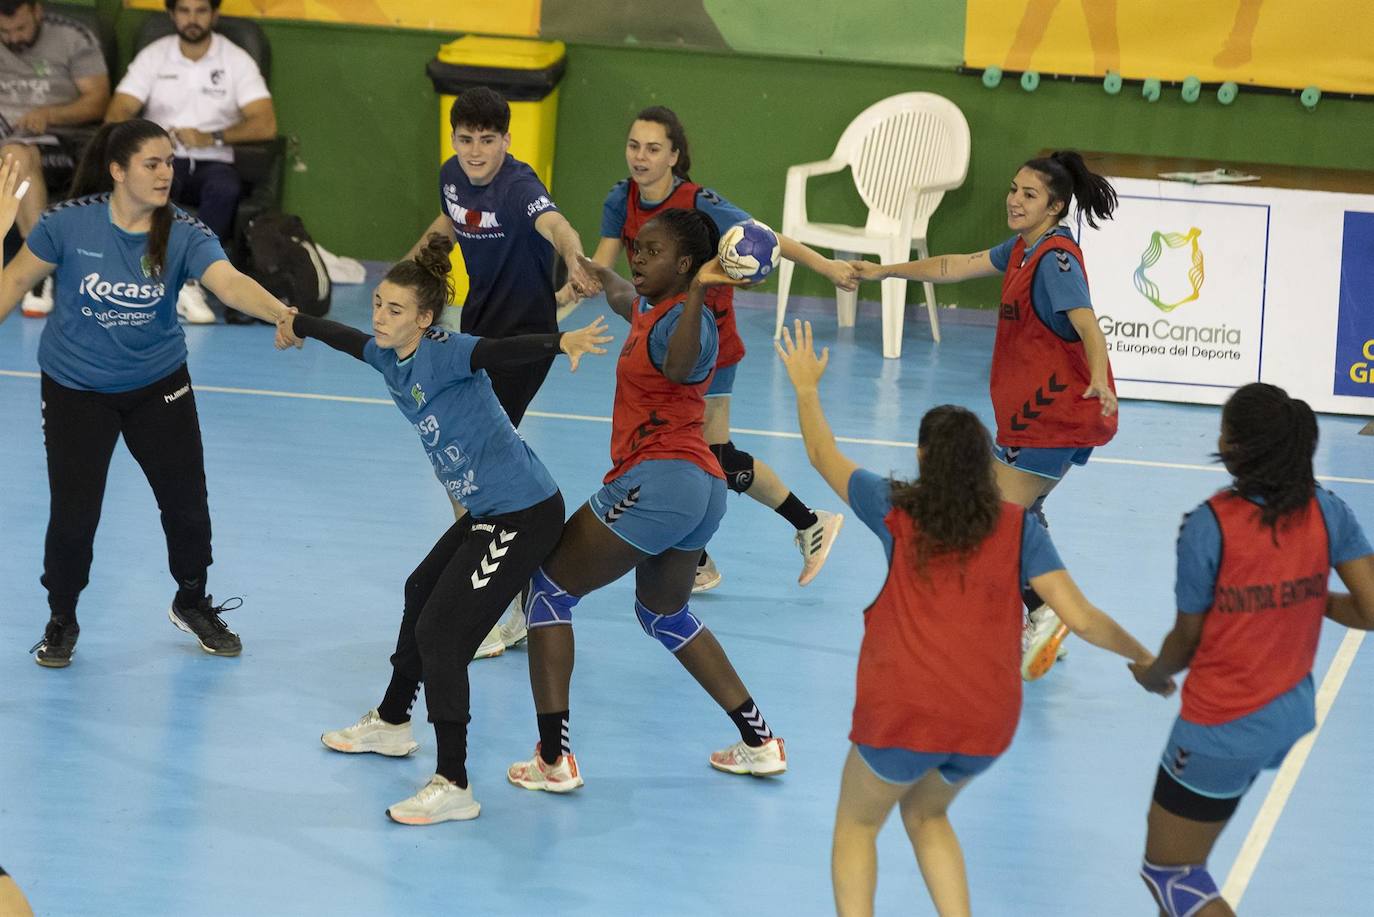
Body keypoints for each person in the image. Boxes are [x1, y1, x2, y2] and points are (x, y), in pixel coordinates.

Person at [774, 318, 1169, 917]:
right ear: (986, 463)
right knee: (927, 813)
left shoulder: (895, 507)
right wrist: (1144, 657)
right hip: (988, 721)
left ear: (924, 458)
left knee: (856, 826)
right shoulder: (1018, 527)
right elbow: (1082, 619)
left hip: (904, 710)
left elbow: (823, 454)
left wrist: (806, 388)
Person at [278, 234, 611, 825]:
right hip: (489, 511)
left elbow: (502, 351)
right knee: (418, 591)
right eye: (379, 303)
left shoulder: (447, 350)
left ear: (425, 319)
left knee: (442, 635)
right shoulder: (387, 353)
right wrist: (297, 320)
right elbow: (348, 338)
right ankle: (393, 721)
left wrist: (562, 342)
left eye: (395, 310)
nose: (379, 316)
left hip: (523, 513)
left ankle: (454, 781)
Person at [507, 209, 788, 792]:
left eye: (651, 251)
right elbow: (617, 292)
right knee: (665, 614)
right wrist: (586, 265)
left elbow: (684, 366)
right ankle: (760, 741)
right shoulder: (650, 307)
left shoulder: (690, 322)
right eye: (637, 246)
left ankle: (553, 759)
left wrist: (703, 293)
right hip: (700, 490)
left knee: (548, 590)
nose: (637, 256)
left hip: (659, 481)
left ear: (686, 265)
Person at [0, 120, 296, 667]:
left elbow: (226, 281)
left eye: (170, 163)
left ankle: (192, 601)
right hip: (75, 388)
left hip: (158, 383)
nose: (167, 173)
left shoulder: (183, 231)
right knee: (74, 516)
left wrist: (280, 311)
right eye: (153, 164)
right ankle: (61, 617)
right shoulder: (68, 225)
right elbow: (14, 284)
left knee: (186, 505)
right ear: (118, 170)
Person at [851, 149, 1120, 680]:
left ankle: (1038, 614)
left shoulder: (1055, 260)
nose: (1014, 200)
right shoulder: (1023, 248)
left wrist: (1096, 377)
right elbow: (954, 265)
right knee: (1017, 511)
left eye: (1029, 195)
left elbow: (1088, 324)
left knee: (996, 516)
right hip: (1030, 416)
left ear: (1055, 207)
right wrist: (885, 271)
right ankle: (1045, 611)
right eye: (1014, 189)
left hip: (1056, 416)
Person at [1130, 382, 1374, 917]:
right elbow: (1371, 609)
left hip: (1221, 729)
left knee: (1173, 875)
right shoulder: (1328, 510)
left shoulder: (1209, 525)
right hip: (1288, 715)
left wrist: (1153, 674)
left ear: (1236, 446)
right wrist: (1311, 598)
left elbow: (1186, 643)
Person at [590, 105, 854, 593]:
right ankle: (705, 559)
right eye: (633, 146)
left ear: (674, 155)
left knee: (710, 455)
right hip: (656, 337)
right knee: (703, 455)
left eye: (653, 148)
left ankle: (808, 520)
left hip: (706, 342)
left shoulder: (698, 201)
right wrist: (571, 284)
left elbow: (767, 238)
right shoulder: (620, 199)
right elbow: (602, 262)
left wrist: (827, 267)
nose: (640, 157)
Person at [407, 86, 600, 659]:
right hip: (476, 334)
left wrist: (573, 256)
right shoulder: (452, 174)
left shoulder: (519, 187)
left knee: (478, 469)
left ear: (506, 140)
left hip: (523, 343)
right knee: (462, 467)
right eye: (465, 139)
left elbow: (556, 224)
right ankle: (513, 588)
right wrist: (411, 267)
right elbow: (450, 217)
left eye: (487, 140)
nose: (474, 151)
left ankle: (502, 602)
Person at [105, 0, 278, 323]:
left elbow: (265, 123)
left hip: (214, 160)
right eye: (184, 11)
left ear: (215, 14)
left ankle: (188, 280)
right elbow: (118, 111)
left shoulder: (235, 60)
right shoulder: (154, 56)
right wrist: (150, 139)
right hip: (163, 159)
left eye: (201, 11)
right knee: (148, 184)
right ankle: (140, 279)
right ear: (172, 15)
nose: (192, 19)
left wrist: (211, 137)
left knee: (225, 188)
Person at [0, 0, 110, 317]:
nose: (13, 38)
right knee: (11, 154)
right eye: (4, 32)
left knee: (15, 157)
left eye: (20, 28)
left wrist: (50, 114)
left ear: (37, 11)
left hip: (59, 144)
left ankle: (37, 267)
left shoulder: (73, 37)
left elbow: (99, 101)